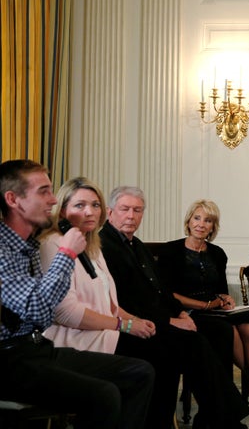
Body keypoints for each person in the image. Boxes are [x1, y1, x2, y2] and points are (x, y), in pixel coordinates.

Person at [0, 160, 154, 429]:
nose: (52, 200)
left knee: (140, 372)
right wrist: (67, 253)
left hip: (36, 349)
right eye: (44, 191)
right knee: (105, 394)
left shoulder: (30, 243)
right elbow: (42, 311)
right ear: (13, 199)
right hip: (9, 359)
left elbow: (46, 312)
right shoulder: (5, 248)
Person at [99, 186, 249, 429]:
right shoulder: (104, 246)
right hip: (130, 326)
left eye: (137, 210)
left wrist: (179, 312)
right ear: (110, 212)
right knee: (193, 342)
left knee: (220, 331)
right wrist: (171, 321)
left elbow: (161, 290)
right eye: (125, 209)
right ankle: (225, 419)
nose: (131, 216)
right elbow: (125, 302)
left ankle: (212, 417)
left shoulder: (136, 245)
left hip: (161, 317)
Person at [38, 177, 181, 428]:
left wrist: (135, 321)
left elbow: (110, 303)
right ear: (62, 210)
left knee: (167, 346)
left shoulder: (92, 245)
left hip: (104, 330)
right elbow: (66, 313)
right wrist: (124, 326)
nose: (90, 211)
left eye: (95, 205)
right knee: (158, 357)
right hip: (73, 338)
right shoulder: (53, 243)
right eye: (80, 205)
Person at [156, 199, 249, 418]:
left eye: (208, 220)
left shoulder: (218, 253)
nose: (201, 224)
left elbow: (220, 290)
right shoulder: (171, 250)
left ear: (213, 226)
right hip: (189, 312)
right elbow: (168, 294)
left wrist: (226, 299)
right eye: (197, 218)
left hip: (216, 311)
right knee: (229, 332)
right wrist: (203, 305)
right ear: (189, 221)